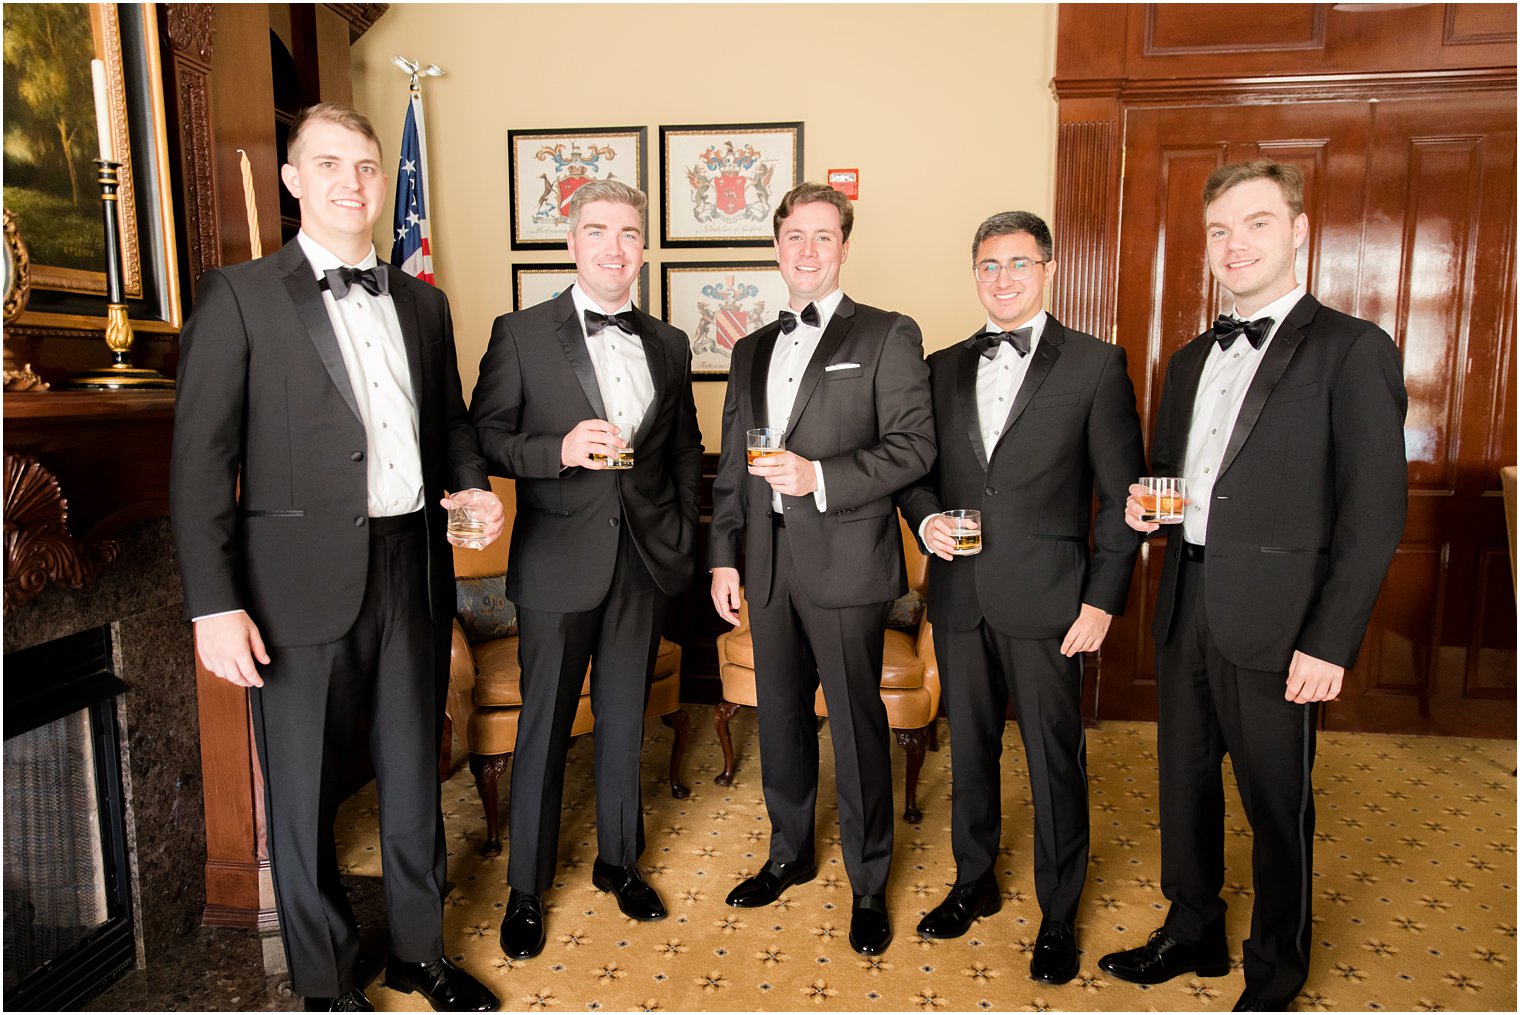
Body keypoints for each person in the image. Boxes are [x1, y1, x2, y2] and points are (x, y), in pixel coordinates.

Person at [171, 103, 502, 1012]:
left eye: (365, 166)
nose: (353, 183)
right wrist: (213, 603)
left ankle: (419, 954)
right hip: (291, 586)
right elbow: (199, 464)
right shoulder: (237, 297)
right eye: (331, 165)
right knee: (304, 794)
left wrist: (471, 485)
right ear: (293, 179)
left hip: (413, 569)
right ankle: (323, 983)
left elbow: (450, 423)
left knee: (414, 773)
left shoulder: (425, 302)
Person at [1096, 161, 1408, 1012]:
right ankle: (1191, 927)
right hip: (1186, 600)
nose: (1236, 245)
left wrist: (1330, 640)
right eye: (1221, 230)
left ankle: (1275, 969)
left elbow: (1374, 515)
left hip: (1283, 622)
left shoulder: (1352, 348)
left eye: (1257, 223)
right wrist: (1148, 506)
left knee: (1277, 805)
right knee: (1183, 785)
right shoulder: (1190, 358)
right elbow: (1176, 475)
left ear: (1299, 230)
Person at [898, 211, 1145, 981]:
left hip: (1052, 600)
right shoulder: (938, 366)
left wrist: (1102, 600)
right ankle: (973, 882)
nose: (1001, 278)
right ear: (974, 274)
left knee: (1053, 761)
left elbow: (1123, 495)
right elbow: (915, 468)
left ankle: (1059, 910)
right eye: (987, 266)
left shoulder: (1097, 365)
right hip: (962, 594)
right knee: (969, 751)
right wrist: (927, 515)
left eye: (1017, 263)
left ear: (1047, 269)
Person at [470, 179, 704, 961]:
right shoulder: (520, 332)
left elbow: (680, 451)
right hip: (556, 561)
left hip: (641, 561)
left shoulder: (670, 344)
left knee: (624, 719)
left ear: (644, 246)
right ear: (570, 242)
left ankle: (619, 861)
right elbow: (486, 435)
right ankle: (526, 887)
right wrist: (558, 450)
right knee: (543, 727)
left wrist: (673, 532)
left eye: (629, 232)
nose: (614, 246)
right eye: (598, 231)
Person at [708, 182, 936, 957]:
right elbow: (736, 466)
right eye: (794, 236)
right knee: (779, 718)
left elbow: (913, 447)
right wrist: (723, 557)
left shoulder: (887, 333)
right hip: (765, 565)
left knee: (856, 720)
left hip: (846, 562)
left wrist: (820, 476)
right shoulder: (748, 349)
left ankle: (870, 880)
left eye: (823, 236)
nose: (807, 250)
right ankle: (788, 852)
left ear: (844, 247)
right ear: (776, 245)